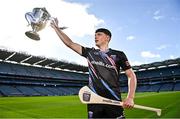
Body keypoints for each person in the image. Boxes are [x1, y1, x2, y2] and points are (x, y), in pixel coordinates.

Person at [50, 18, 137, 119]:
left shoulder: (119, 55)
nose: (95, 37)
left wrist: (130, 97)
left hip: (114, 100)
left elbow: (131, 75)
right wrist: (56, 29)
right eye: (95, 35)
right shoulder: (90, 53)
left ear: (107, 38)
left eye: (99, 34)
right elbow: (70, 43)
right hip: (94, 100)